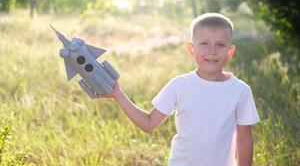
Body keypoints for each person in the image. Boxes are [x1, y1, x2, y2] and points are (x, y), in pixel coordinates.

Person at [97, 13, 260, 166]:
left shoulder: (240, 91)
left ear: (230, 51)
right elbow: (149, 123)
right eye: (204, 43)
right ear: (192, 49)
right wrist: (118, 95)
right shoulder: (180, 85)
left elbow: (244, 139)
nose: (212, 51)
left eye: (220, 45)